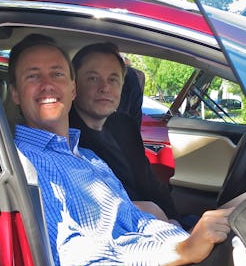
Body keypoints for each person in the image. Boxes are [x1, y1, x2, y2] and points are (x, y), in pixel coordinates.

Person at [10, 33, 237, 266]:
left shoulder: (85, 156)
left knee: (245, 220)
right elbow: (72, 263)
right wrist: (181, 251)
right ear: (15, 94)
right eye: (33, 76)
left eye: (57, 74)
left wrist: (182, 238)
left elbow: (133, 220)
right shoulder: (26, 162)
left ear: (71, 89)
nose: (48, 84)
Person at [70, 42, 180, 221]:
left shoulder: (124, 125)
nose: (105, 87)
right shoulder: (67, 139)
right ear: (74, 86)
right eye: (93, 78)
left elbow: (151, 185)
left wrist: (177, 222)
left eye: (113, 79)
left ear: (122, 86)